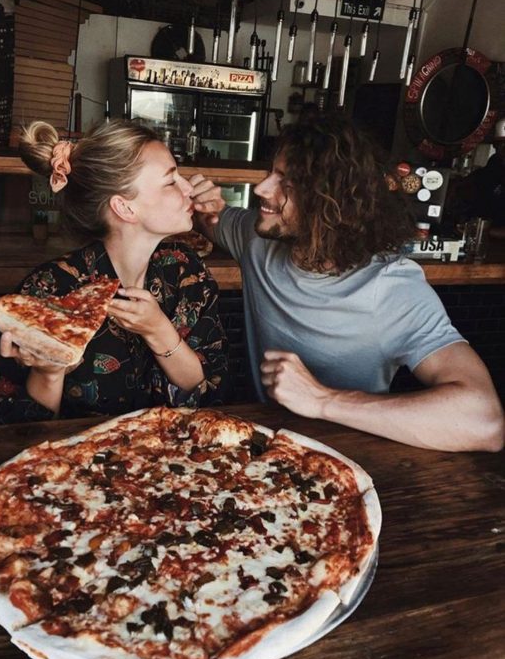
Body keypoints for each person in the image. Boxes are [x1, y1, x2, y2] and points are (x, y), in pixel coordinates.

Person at [191, 116, 504, 452]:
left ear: (332, 203)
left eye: (288, 182)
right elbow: (210, 219)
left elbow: (484, 421)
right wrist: (204, 204)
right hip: (257, 449)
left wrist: (321, 399)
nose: (261, 189)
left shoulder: (392, 287)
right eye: (272, 172)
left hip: (352, 460)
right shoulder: (256, 237)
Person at [0, 119, 229, 423]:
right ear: (124, 208)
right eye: (171, 181)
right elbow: (15, 429)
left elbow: (212, 394)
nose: (188, 187)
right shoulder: (49, 290)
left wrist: (159, 331)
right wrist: (48, 371)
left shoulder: (186, 270)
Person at [450, 117, 505, 239]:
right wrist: (455, 186)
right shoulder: (495, 166)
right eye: (502, 146)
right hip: (478, 241)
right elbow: (479, 178)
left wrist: (480, 231)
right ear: (495, 147)